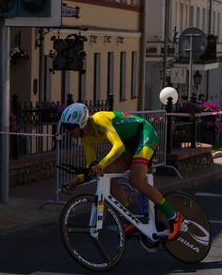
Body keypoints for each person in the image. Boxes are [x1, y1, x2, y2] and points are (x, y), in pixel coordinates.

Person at [61, 103, 183, 241]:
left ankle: (173, 216)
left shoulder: (100, 120)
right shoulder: (86, 139)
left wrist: (101, 164)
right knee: (107, 176)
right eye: (66, 127)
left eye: (70, 127)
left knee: (136, 179)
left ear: (81, 123)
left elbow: (117, 146)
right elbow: (92, 167)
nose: (68, 131)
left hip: (144, 134)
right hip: (129, 145)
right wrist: (77, 180)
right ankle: (131, 219)